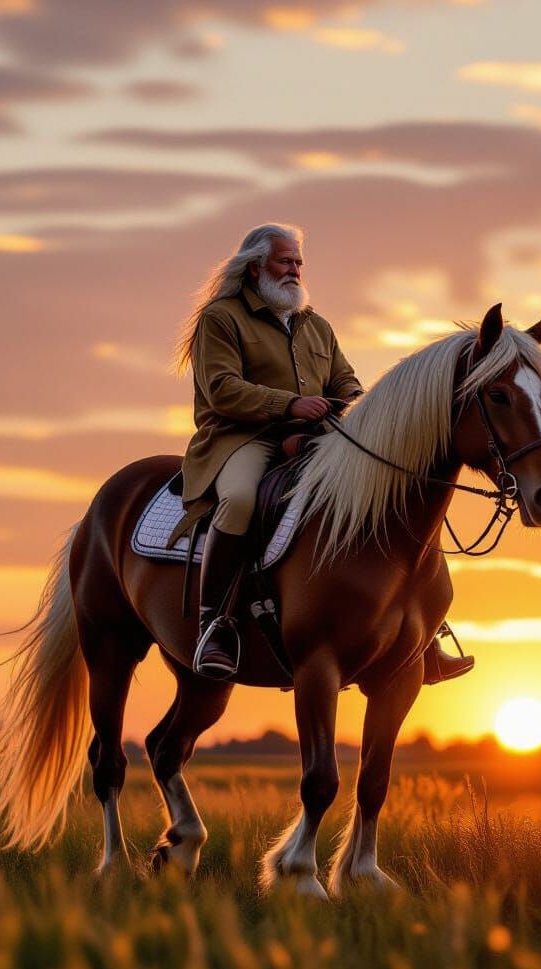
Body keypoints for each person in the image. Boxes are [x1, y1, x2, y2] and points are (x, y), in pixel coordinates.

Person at [172, 223, 474, 684]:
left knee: (388, 494)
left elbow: (345, 380)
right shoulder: (221, 318)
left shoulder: (316, 325)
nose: (294, 270)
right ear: (255, 268)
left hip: (313, 439)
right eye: (284, 261)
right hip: (241, 439)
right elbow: (222, 388)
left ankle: (423, 632)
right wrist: (289, 405)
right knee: (240, 499)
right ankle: (215, 625)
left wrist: (357, 403)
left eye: (298, 262)